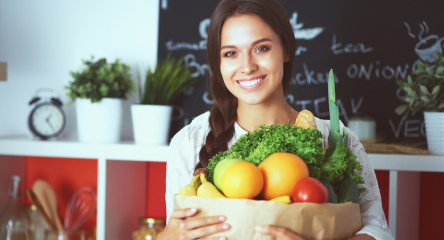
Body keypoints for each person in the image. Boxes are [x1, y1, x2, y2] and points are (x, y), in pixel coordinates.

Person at [159, 0, 394, 239]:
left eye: (261, 48)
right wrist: (166, 237)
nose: (247, 66)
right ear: (217, 64)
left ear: (286, 49)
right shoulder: (190, 142)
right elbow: (177, 228)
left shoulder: (335, 138)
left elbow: (377, 230)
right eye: (231, 53)